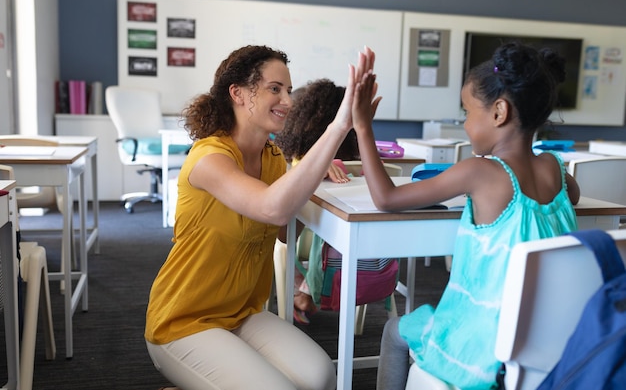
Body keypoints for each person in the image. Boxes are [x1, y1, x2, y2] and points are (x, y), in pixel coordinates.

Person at [351, 41, 581, 390]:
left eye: (467, 113)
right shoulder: (555, 170)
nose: (465, 124)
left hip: (481, 347)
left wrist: (363, 128)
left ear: (499, 112)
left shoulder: (479, 172)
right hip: (550, 345)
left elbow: (386, 198)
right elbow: (572, 196)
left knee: (395, 330)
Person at [144, 44, 375, 390]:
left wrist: (308, 173)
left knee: (321, 377)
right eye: (275, 89)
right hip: (183, 322)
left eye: (289, 90)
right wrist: (339, 127)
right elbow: (271, 207)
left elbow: (282, 232)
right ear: (237, 93)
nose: (288, 100)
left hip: (242, 314)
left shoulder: (272, 158)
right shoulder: (208, 158)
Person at [274, 78, 360, 323]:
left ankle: (300, 292)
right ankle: (306, 293)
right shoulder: (359, 161)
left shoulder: (294, 164)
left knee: (277, 244)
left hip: (305, 242)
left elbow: (282, 234)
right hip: (343, 245)